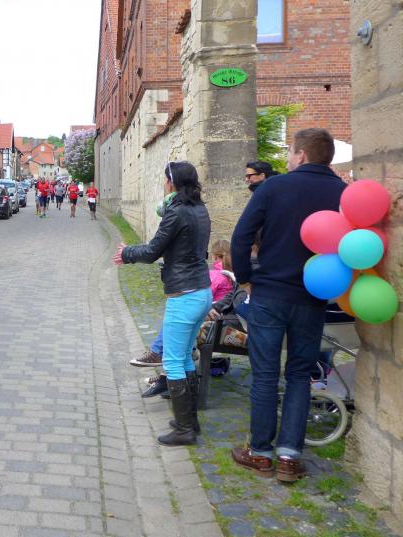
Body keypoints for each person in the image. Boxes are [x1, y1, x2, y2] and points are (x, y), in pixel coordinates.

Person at [230, 128, 347, 482]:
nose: (288, 158)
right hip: (312, 295)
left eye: (290, 152)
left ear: (302, 155)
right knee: (299, 375)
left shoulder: (274, 187)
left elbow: (241, 235)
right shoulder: (342, 192)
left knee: (265, 374)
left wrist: (244, 277)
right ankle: (289, 457)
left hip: (269, 292)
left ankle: (260, 452)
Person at [114, 161, 212, 446]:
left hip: (185, 295)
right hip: (202, 291)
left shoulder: (176, 211)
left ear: (172, 182)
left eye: (164, 180)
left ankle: (184, 429)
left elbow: (153, 249)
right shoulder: (199, 208)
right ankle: (190, 421)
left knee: (171, 360)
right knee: (184, 357)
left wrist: (128, 253)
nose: (163, 184)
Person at [136, 239, 236, 398]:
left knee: (175, 324)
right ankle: (165, 375)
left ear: (215, 256)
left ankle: (159, 358)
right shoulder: (230, 274)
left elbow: (201, 297)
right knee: (177, 329)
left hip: (212, 320)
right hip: (217, 317)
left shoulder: (215, 275)